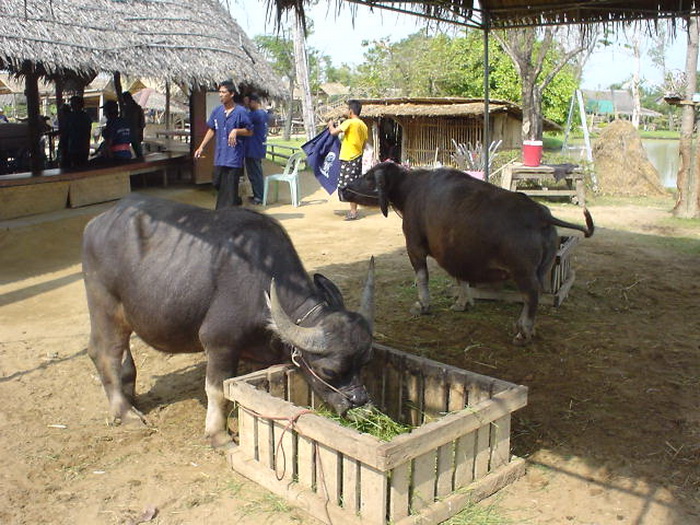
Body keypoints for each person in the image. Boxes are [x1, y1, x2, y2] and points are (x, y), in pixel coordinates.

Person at [194, 81, 252, 209]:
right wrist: (201, 147)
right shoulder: (217, 111)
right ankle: (234, 203)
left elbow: (250, 131)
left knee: (230, 187)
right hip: (220, 156)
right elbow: (211, 129)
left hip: (234, 156)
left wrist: (236, 131)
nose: (220, 95)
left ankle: (225, 212)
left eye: (223, 92)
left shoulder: (240, 112)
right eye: (219, 92)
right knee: (217, 182)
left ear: (231, 94)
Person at [328, 99, 369, 220]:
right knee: (353, 184)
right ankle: (353, 210)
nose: (346, 111)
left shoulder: (350, 123)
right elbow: (365, 144)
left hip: (349, 158)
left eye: (347, 109)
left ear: (351, 111)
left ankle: (353, 212)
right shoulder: (363, 125)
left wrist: (330, 125)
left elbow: (333, 132)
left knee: (349, 186)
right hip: (357, 157)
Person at [244, 93, 268, 205]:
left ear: (254, 102)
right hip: (257, 147)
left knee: (255, 174)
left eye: (249, 102)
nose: (247, 105)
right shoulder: (263, 114)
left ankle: (259, 197)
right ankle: (257, 195)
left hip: (254, 148)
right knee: (255, 173)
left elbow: (243, 119)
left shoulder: (256, 114)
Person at [63, 96, 92, 168]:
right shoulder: (86, 116)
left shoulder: (72, 117)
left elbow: (67, 132)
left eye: (73, 103)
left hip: (75, 147)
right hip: (83, 147)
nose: (72, 105)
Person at [122, 91, 146, 159]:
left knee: (138, 152)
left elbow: (142, 122)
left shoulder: (137, 108)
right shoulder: (125, 108)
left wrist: (140, 132)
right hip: (127, 132)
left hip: (135, 132)